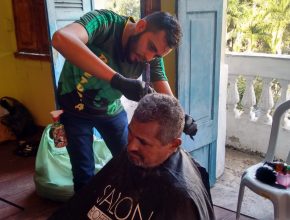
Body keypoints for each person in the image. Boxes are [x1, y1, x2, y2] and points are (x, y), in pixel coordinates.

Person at [52, 9, 197, 192]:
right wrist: (117, 81)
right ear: (141, 26)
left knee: (132, 161)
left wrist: (182, 117)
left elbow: (162, 86)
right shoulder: (104, 23)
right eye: (151, 47)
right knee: (83, 175)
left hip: (110, 110)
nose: (149, 58)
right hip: (73, 112)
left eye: (157, 55)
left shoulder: (151, 56)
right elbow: (60, 38)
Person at [48, 93, 214, 220]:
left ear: (173, 145)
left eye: (143, 142)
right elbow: (80, 205)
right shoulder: (132, 156)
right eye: (130, 133)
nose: (131, 146)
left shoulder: (180, 198)